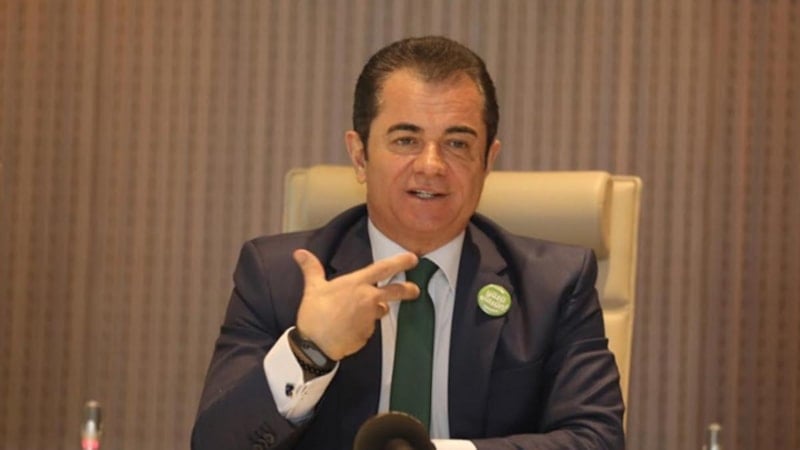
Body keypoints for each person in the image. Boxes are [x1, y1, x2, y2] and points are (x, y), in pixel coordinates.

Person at [192, 36, 624, 450]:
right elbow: (216, 444)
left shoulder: (553, 286)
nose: (431, 165)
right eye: (406, 140)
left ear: (488, 160)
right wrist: (310, 351)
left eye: (457, 143)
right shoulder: (277, 278)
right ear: (360, 155)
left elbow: (597, 440)